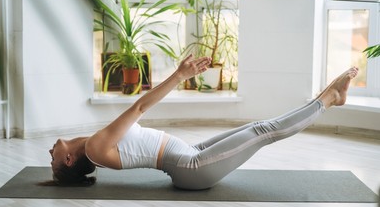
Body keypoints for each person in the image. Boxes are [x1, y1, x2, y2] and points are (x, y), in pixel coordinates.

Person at [47, 54, 359, 190]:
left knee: (260, 126)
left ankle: (325, 97)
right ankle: (330, 99)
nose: (50, 153)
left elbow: (139, 109)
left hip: (189, 154)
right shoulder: (96, 148)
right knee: (263, 132)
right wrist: (180, 76)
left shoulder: (94, 146)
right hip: (191, 168)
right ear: (70, 159)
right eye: (54, 161)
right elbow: (140, 106)